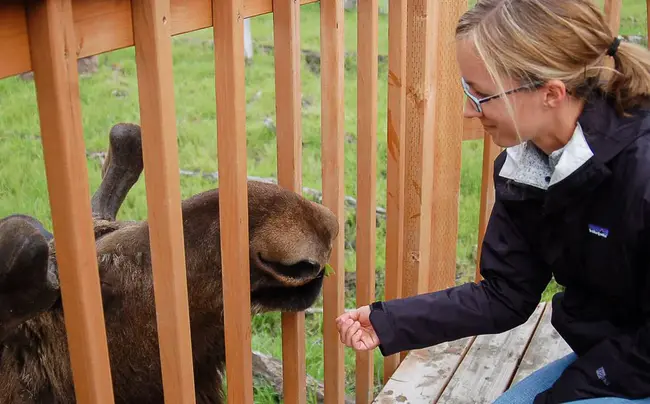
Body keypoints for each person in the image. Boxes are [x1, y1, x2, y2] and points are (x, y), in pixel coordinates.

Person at [336, 1, 650, 403]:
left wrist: (569, 391)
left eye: (482, 94)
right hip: (614, 348)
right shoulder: (527, 168)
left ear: (551, 93)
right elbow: (507, 293)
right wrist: (389, 321)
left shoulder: (640, 170)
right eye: (468, 90)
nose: (468, 111)